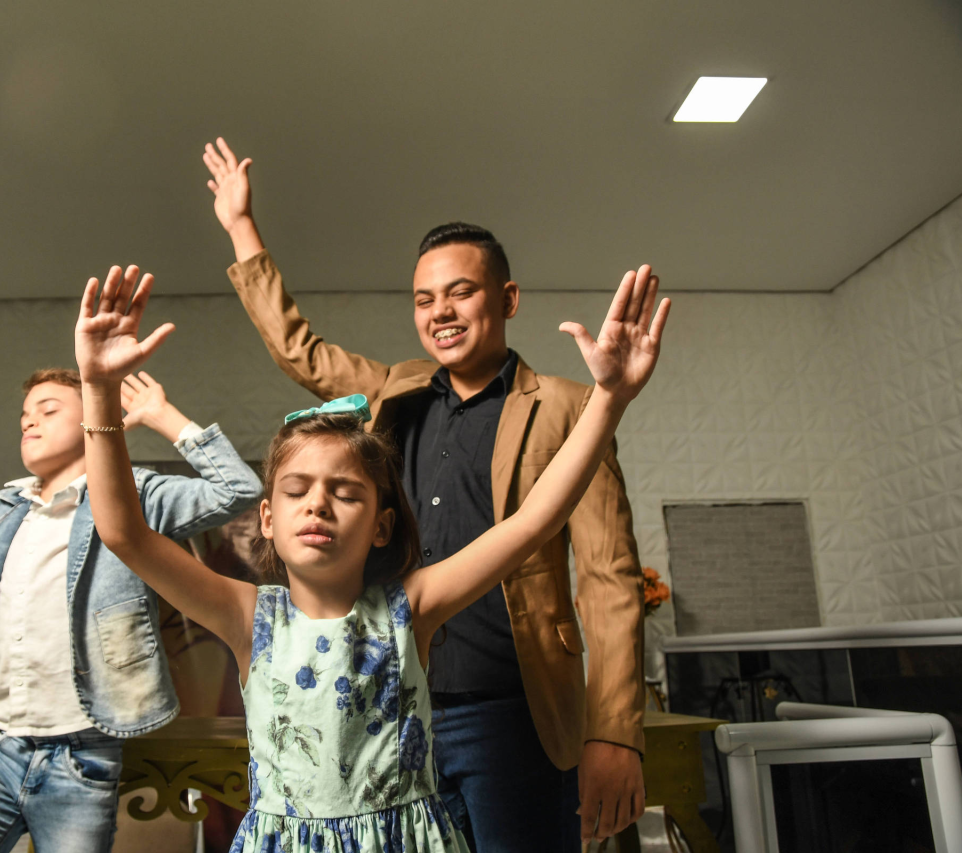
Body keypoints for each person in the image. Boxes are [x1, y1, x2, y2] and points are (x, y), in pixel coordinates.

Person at [72, 261, 668, 852]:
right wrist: (97, 388)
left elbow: (534, 520)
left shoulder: (412, 607)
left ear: (383, 526)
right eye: (297, 490)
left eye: (346, 492)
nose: (319, 505)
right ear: (268, 518)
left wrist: (609, 398)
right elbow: (124, 532)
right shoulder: (247, 615)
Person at [202, 138, 654, 847]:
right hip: (394, 708)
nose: (441, 310)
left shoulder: (571, 407)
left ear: (505, 298)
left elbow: (609, 577)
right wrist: (240, 226)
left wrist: (615, 732)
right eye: (424, 299)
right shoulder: (396, 389)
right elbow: (302, 349)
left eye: (461, 292)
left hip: (517, 710)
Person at [0, 355, 262, 853]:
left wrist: (160, 414)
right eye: (25, 415)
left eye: (47, 410)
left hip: (83, 754)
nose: (29, 422)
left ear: (93, 418)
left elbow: (238, 488)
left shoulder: (135, 495)